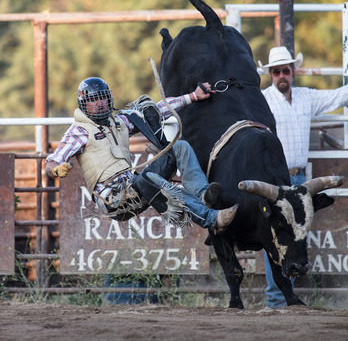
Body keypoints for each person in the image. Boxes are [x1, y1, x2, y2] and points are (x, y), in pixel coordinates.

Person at [45, 77, 238, 235]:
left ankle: (202, 195)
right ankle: (211, 219)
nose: (99, 104)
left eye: (102, 98)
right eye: (93, 100)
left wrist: (193, 96)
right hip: (113, 199)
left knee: (179, 146)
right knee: (147, 178)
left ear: (109, 99)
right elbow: (53, 161)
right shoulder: (78, 131)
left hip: (136, 188)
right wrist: (55, 169)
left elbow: (156, 109)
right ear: (84, 104)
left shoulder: (119, 121)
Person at [259, 46, 348, 308]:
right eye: (276, 71)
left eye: (285, 70)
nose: (281, 75)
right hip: (277, 180)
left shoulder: (306, 97)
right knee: (278, 239)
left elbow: (339, 96)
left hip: (300, 181)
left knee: (296, 238)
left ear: (293, 71)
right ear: (271, 74)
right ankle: (276, 299)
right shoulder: (263, 100)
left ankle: (285, 298)